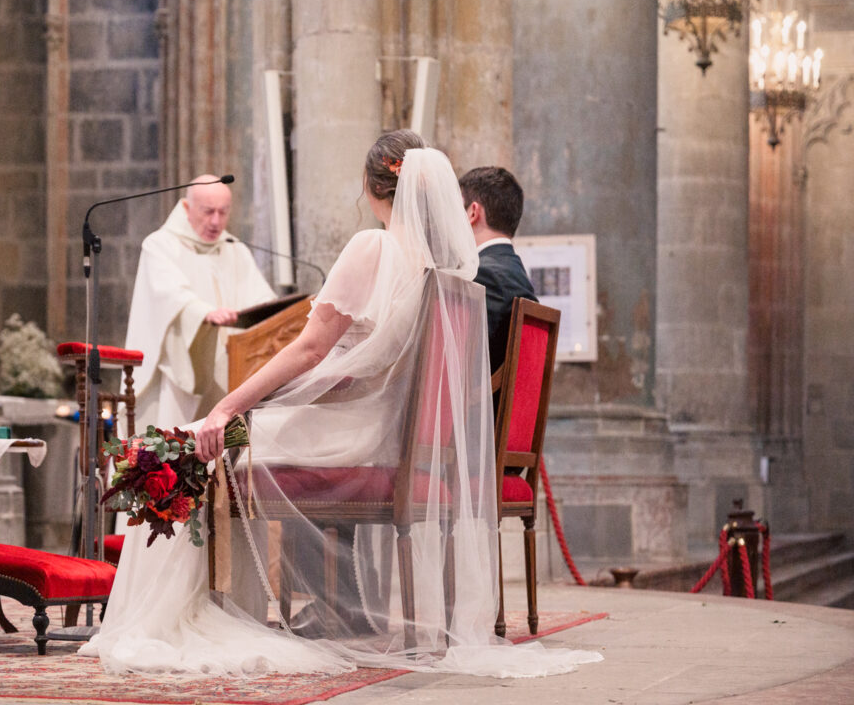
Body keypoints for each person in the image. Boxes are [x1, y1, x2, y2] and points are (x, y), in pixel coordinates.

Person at [80, 132, 601, 678]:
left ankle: (194, 616)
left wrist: (228, 407)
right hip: (384, 431)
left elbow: (309, 349)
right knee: (204, 444)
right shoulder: (446, 274)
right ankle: (306, 612)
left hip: (354, 432)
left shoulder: (373, 248)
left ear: (372, 185)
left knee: (189, 447)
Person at [123, 175, 277, 431]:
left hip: (233, 369)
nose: (216, 221)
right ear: (186, 208)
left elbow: (262, 300)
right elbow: (171, 294)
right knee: (177, 449)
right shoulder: (160, 245)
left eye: (223, 212)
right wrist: (205, 314)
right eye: (208, 212)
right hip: (181, 368)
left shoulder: (234, 249)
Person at [460, 166, 538, 373]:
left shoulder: (485, 276)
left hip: (479, 404)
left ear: (473, 212)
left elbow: (458, 365)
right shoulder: (513, 271)